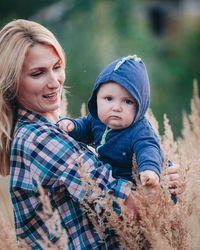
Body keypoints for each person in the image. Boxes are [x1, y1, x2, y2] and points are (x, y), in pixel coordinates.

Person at [0, 19, 180, 249]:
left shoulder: (57, 128)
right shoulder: (40, 140)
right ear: (12, 83)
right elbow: (131, 209)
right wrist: (164, 188)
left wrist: (158, 172)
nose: (55, 82)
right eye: (38, 73)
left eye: (57, 67)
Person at [58, 55, 163, 187]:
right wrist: (73, 125)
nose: (116, 107)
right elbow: (85, 127)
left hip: (133, 182)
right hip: (110, 179)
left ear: (140, 107)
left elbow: (148, 149)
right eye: (108, 98)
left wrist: (149, 170)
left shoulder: (139, 130)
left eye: (127, 101)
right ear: (96, 98)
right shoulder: (97, 119)